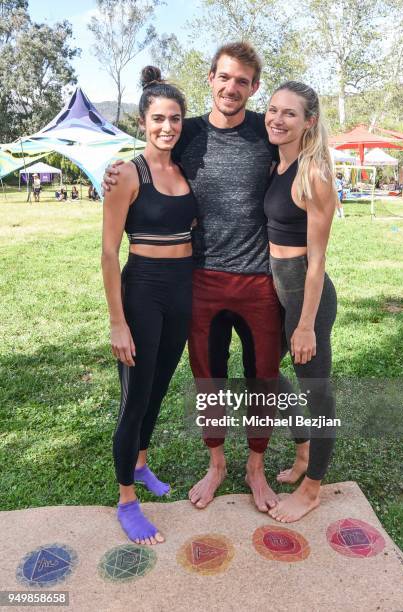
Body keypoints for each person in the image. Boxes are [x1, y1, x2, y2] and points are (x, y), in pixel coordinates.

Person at [103, 41, 311, 514]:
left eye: (243, 81)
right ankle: (216, 464)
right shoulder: (187, 132)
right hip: (200, 279)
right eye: (224, 77)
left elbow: (307, 156)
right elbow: (148, 154)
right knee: (207, 379)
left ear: (254, 87)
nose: (232, 88)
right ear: (211, 79)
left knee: (262, 378)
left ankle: (255, 468)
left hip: (260, 280)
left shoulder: (268, 131)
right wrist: (111, 171)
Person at [101, 66, 196, 546]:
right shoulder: (125, 174)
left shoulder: (184, 168)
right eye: (158, 118)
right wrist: (118, 322)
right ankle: (125, 500)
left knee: (158, 388)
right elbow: (108, 252)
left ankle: (140, 465)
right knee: (134, 398)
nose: (168, 127)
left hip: (183, 291)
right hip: (141, 291)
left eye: (175, 118)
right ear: (143, 121)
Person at [264, 81, 337, 522]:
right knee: (264, 374)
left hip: (307, 297)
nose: (277, 119)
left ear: (309, 121)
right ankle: (304, 448)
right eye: (273, 110)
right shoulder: (276, 165)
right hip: (277, 292)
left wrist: (305, 323)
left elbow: (316, 260)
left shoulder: (314, 174)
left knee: (317, 391)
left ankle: (312, 489)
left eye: (290, 113)